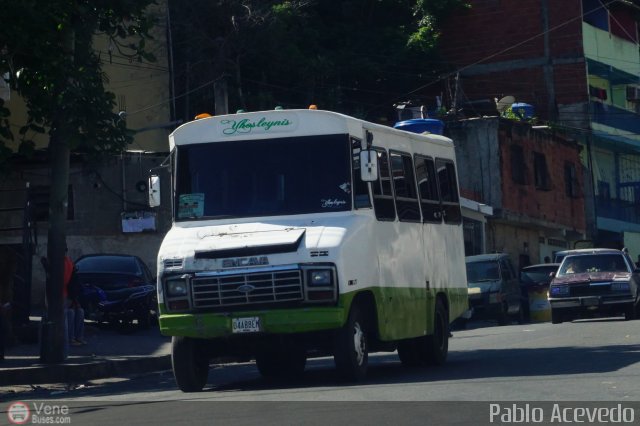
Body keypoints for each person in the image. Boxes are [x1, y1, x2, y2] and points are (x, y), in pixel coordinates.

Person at [64, 250, 86, 346]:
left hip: (63, 295)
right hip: (71, 295)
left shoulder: (60, 262)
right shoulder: (69, 262)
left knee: (70, 313)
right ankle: (79, 338)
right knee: (78, 312)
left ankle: (71, 339)